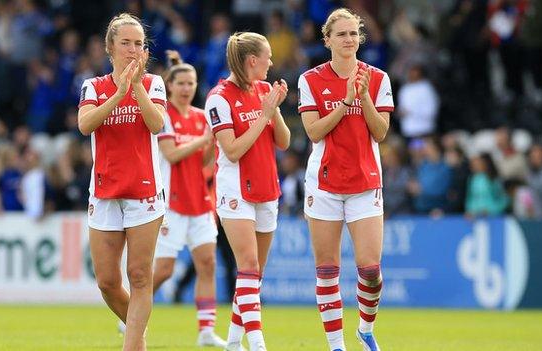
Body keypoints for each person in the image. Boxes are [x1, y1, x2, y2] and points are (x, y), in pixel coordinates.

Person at [297, 8, 394, 351]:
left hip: (365, 184)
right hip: (324, 184)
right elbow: (313, 131)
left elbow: (380, 132)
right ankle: (336, 345)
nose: (349, 40)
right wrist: (345, 101)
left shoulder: (378, 78)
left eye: (354, 34)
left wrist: (363, 95)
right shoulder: (310, 80)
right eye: (341, 34)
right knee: (327, 270)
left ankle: (365, 329)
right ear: (327, 40)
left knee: (371, 271)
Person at [77, 13, 166, 351]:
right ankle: (138, 336)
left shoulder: (154, 83)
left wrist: (137, 87)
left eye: (139, 44)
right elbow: (85, 126)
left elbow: (156, 124)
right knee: (107, 282)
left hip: (144, 192)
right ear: (110, 48)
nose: (133, 50)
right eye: (126, 43)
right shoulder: (94, 86)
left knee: (140, 277)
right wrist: (118, 94)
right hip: (104, 191)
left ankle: (131, 347)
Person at [204, 31, 290, 351]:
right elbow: (232, 150)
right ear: (252, 60)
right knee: (249, 267)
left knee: (253, 276)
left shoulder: (264, 89)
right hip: (235, 190)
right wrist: (264, 114)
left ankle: (232, 342)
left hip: (267, 187)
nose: (270, 63)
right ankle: (257, 344)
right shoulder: (219, 98)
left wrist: (275, 108)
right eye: (267, 57)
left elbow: (284, 141)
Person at [152, 52, 227, 347]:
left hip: (200, 201)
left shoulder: (200, 117)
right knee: (163, 271)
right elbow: (171, 154)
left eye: (191, 83)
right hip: (171, 203)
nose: (186, 88)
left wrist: (212, 142)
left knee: (207, 263)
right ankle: (128, 311)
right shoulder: (163, 116)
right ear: (169, 86)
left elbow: (206, 161)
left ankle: (206, 331)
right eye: (181, 83)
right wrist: (202, 140)